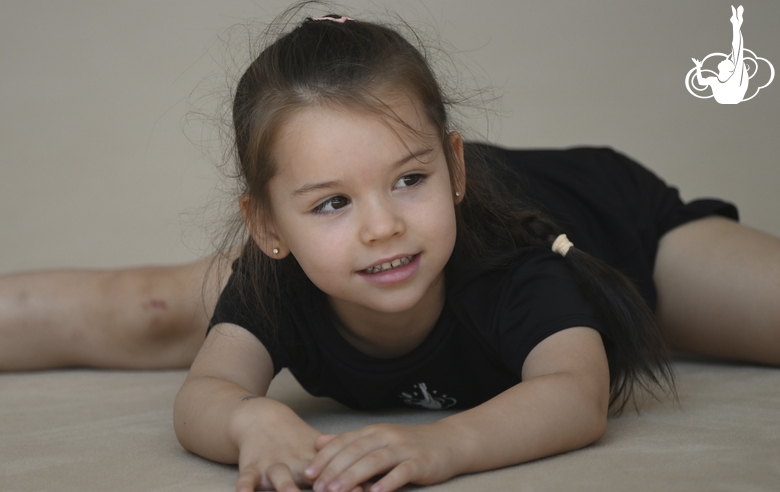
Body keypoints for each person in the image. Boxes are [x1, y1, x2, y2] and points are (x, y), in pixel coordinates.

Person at [1, 9, 780, 492]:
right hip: (326, 266)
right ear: (266, 227)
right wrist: (248, 423)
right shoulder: (275, 281)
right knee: (150, 312)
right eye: (333, 202)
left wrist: (444, 446)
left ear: (453, 167)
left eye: (411, 179)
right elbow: (206, 392)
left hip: (626, 234)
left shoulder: (511, 270)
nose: (383, 227)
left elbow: (574, 394)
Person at [692, 5, 749, 104]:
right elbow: (701, 82)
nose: (724, 59)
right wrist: (698, 67)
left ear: (729, 69)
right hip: (730, 98)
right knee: (737, 51)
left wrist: (698, 67)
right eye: (728, 61)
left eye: (727, 61)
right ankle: (736, 24)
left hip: (732, 96)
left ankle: (736, 24)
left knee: (737, 51)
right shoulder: (715, 80)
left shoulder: (732, 77)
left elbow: (738, 49)